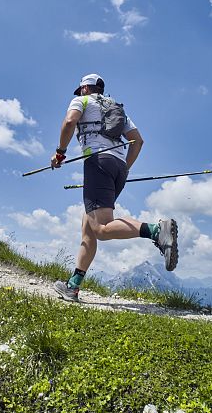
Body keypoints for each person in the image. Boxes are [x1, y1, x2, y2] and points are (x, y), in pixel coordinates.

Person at [51, 73, 178, 302]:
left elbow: (69, 122)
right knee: (89, 227)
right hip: (118, 166)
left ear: (85, 88)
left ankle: (156, 230)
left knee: (101, 228)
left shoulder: (82, 101)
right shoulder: (116, 108)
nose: (80, 92)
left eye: (80, 89)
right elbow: (138, 141)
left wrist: (60, 153)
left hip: (97, 162)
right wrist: (124, 168)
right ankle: (73, 286)